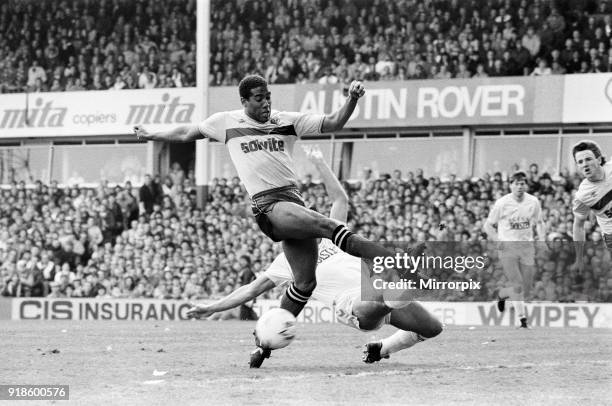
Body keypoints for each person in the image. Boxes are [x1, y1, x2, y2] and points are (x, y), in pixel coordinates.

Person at [134, 75, 417, 359]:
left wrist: (352, 100)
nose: (266, 102)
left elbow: (333, 123)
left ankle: (263, 346)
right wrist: (152, 134)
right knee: (328, 225)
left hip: (292, 202)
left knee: (305, 284)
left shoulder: (287, 120)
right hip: (268, 205)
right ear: (244, 101)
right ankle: (393, 262)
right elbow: (187, 132)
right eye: (259, 98)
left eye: (268, 95)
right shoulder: (227, 122)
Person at [187, 146, 442, 367]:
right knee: (380, 296)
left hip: (373, 288)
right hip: (351, 305)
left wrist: (320, 163)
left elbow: (340, 199)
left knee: (432, 328)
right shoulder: (288, 260)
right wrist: (212, 308)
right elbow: (250, 290)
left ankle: (382, 348)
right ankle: (399, 284)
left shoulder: (335, 235)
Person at [483, 171, 545, 328]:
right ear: (510, 185)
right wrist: (497, 241)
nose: (519, 186)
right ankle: (523, 320)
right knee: (517, 283)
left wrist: (542, 239)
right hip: (508, 248)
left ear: (526, 185)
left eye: (522, 183)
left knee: (525, 285)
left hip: (526, 247)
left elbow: (539, 222)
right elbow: (488, 225)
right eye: (516, 183)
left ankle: (503, 294)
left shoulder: (533, 201)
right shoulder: (502, 203)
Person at [571, 140, 612, 271]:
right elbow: (578, 226)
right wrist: (579, 258)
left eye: (588, 159)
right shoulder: (582, 196)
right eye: (580, 162)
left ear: (599, 159)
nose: (585, 165)